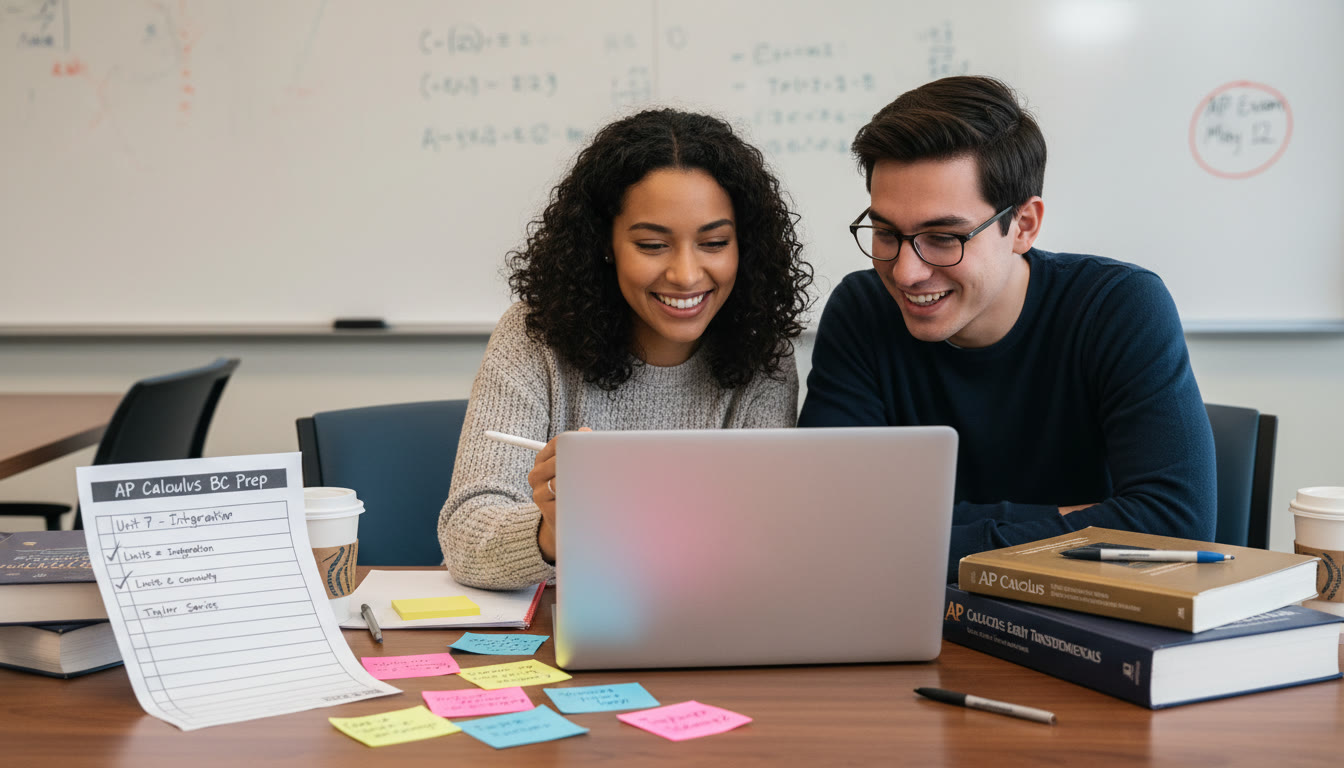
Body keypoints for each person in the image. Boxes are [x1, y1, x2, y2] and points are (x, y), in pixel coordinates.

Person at [798, 76, 1216, 582]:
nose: (906, 272)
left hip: (1086, 630)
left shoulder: (1120, 307)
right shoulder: (861, 309)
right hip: (925, 626)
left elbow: (1174, 527)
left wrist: (916, 532)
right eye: (887, 233)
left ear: (1023, 226)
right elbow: (828, 524)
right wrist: (1067, 519)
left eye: (943, 237)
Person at [439, 109, 813, 590]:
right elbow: (463, 535)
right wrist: (555, 532)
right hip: (564, 631)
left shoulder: (763, 350)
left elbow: (767, 541)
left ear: (746, 245)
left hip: (706, 621)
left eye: (714, 242)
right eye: (653, 245)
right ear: (606, 244)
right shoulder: (533, 337)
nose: (686, 274)